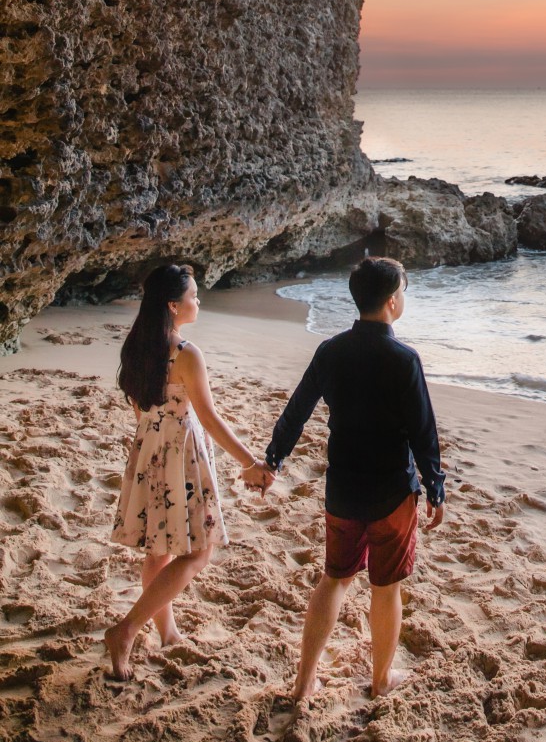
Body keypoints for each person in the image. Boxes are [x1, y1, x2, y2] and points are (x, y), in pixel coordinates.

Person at [260, 256, 445, 702]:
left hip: (342, 487)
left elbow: (297, 410)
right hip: (391, 492)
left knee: (334, 578)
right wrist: (435, 485)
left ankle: (304, 682)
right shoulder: (404, 359)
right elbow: (423, 429)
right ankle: (380, 680)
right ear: (392, 302)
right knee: (385, 588)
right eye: (402, 291)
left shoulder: (331, 351)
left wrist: (274, 459)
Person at [105, 262, 269, 678]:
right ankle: (127, 629)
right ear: (174, 306)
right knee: (198, 553)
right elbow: (210, 419)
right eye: (194, 296)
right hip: (180, 453)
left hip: (148, 450)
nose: (199, 300)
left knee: (157, 550)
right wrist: (250, 462)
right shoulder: (184, 353)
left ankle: (169, 632)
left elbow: (140, 407)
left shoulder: (137, 347)